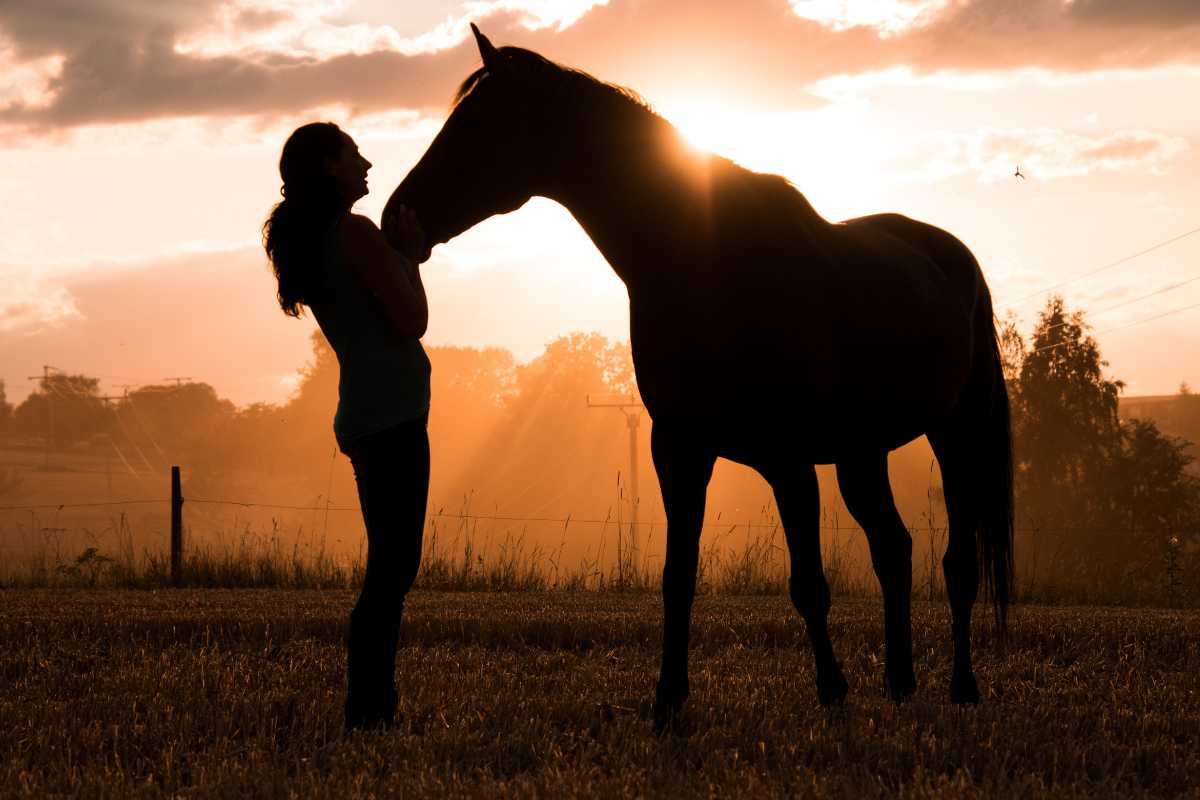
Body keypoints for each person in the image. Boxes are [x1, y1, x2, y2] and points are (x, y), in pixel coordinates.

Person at [263, 121, 432, 731]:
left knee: (391, 563)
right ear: (331, 167)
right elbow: (411, 319)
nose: (366, 161)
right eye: (353, 153)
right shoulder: (355, 234)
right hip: (393, 416)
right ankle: (369, 707)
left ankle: (374, 704)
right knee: (394, 567)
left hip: (367, 413)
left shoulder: (325, 238)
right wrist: (411, 258)